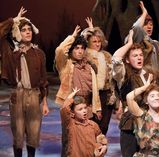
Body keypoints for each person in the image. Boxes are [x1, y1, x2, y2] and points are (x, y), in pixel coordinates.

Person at [0, 7, 49, 157]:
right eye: (24, 30)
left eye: (29, 29)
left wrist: (45, 102)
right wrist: (14, 20)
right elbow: (1, 31)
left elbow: (43, 80)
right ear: (17, 32)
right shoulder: (10, 51)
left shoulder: (38, 53)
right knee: (19, 134)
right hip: (18, 95)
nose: (28, 32)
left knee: (33, 134)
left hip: (35, 96)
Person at [113, 30, 159, 157]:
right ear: (128, 60)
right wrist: (129, 43)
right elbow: (116, 59)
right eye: (135, 56)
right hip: (130, 126)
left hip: (149, 124)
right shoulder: (124, 75)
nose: (139, 58)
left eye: (140, 55)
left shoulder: (149, 74)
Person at [54, 25, 101, 157]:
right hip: (71, 108)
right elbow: (59, 50)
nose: (80, 51)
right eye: (76, 48)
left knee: (87, 141)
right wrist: (73, 37)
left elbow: (94, 89)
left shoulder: (89, 67)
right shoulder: (66, 64)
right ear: (72, 50)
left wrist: (97, 107)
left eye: (82, 48)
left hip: (87, 107)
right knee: (70, 143)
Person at [81, 18, 117, 135]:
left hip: (106, 95)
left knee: (104, 126)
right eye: (94, 41)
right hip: (91, 95)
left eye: (99, 41)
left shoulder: (107, 55)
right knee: (92, 125)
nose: (97, 44)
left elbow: (113, 78)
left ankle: (99, 150)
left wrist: (115, 97)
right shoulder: (84, 55)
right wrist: (89, 32)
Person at [60, 88, 108, 157]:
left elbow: (101, 139)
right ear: (72, 113)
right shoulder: (70, 124)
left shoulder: (93, 125)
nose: (84, 111)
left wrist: (104, 146)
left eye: (85, 108)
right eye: (80, 109)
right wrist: (70, 97)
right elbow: (64, 109)